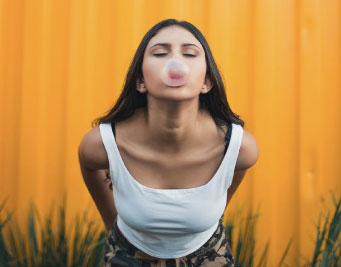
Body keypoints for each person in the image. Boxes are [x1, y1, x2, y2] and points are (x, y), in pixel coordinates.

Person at [78, 18, 259, 267]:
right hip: (127, 255)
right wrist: (113, 222)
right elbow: (89, 165)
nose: (176, 63)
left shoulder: (239, 148)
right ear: (140, 81)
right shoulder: (102, 144)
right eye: (160, 53)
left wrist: (204, 212)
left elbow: (226, 185)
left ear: (207, 82)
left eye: (190, 53)